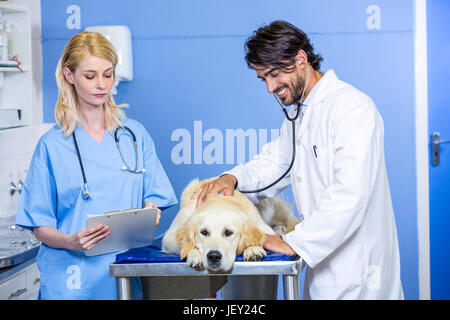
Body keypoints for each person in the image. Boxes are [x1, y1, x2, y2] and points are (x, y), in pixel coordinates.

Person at [196, 20, 403, 300]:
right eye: (263, 79)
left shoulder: (353, 109)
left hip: (360, 271)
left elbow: (350, 195)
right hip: (325, 269)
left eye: (274, 74)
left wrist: (291, 242)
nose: (270, 88)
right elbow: (275, 164)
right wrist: (231, 179)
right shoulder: (300, 116)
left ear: (301, 59)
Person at [15, 31, 177, 300]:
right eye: (90, 76)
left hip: (124, 276)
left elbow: (155, 197)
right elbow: (39, 223)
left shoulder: (134, 136)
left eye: (108, 74)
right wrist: (70, 241)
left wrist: (152, 211)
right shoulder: (51, 146)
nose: (102, 84)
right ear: (69, 76)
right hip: (71, 280)